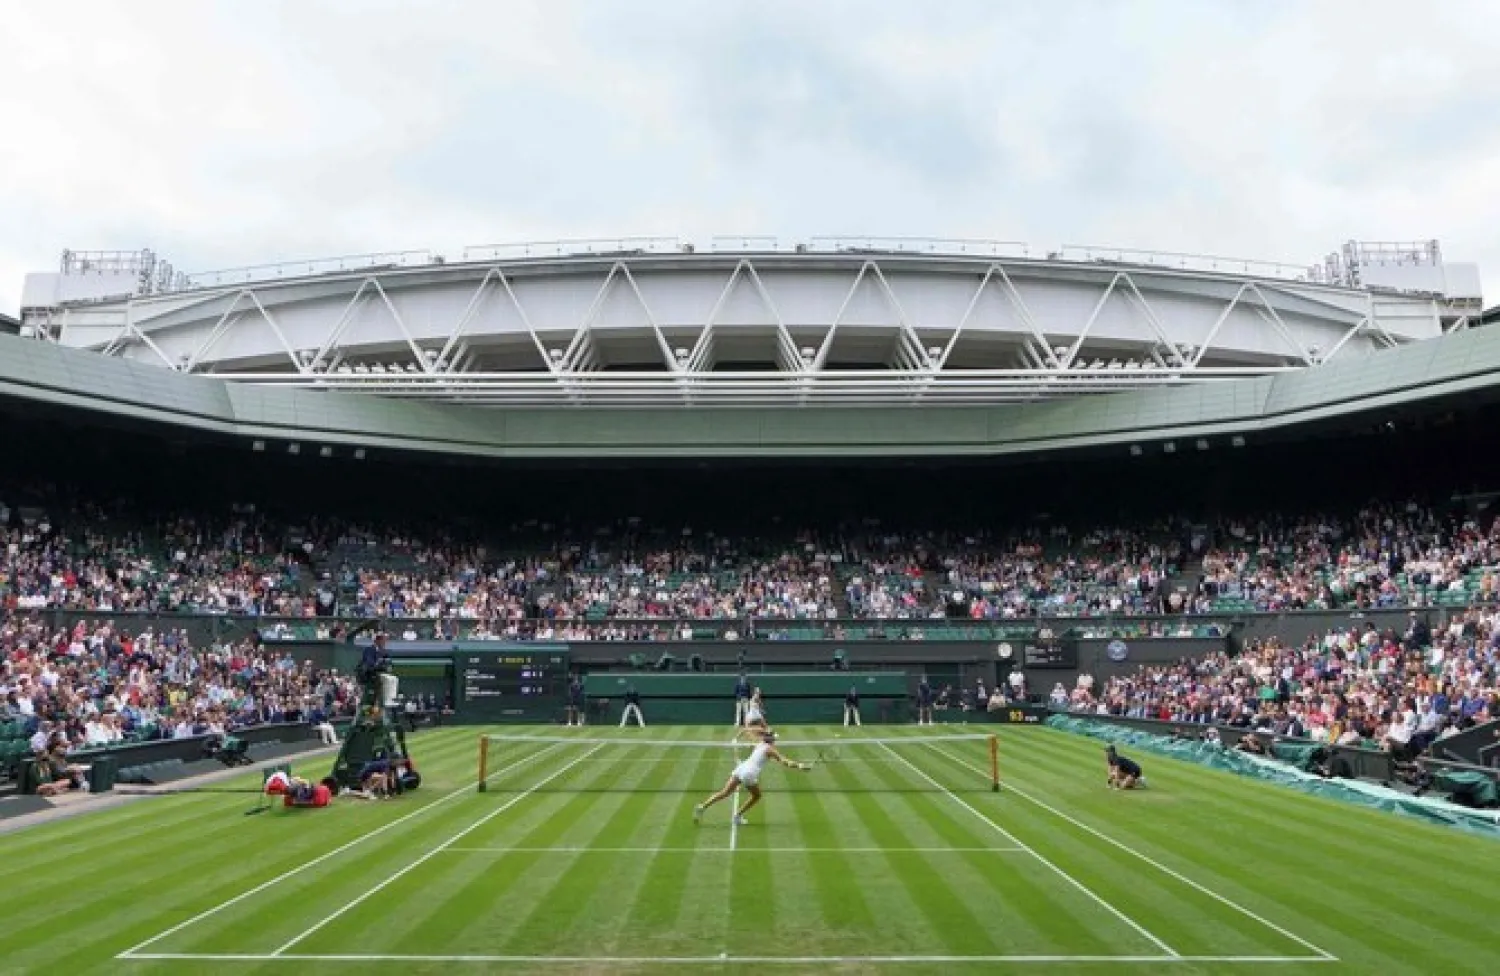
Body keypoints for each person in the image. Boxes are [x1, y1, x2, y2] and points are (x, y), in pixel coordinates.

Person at [694, 731, 809, 826]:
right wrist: (800, 766)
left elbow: (757, 747)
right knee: (756, 796)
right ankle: (737, 816)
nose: (775, 741)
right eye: (774, 739)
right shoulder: (770, 750)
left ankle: (702, 806)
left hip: (741, 768)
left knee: (725, 792)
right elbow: (785, 762)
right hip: (749, 773)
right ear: (771, 741)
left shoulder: (760, 744)